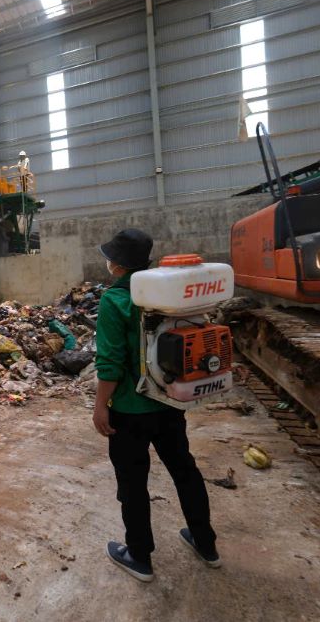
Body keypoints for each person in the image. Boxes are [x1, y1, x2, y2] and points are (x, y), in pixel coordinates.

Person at [92, 228, 220, 582]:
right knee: (184, 470)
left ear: (116, 264)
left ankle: (140, 556)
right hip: (170, 401)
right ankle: (206, 543)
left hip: (130, 412)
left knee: (133, 483)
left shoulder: (114, 300)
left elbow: (111, 363)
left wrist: (100, 405)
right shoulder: (170, 293)